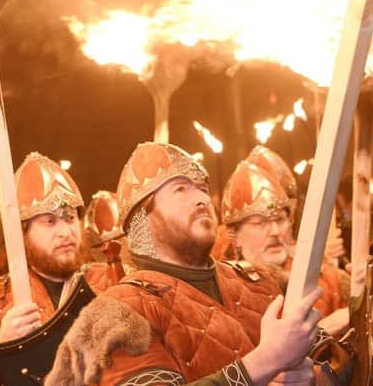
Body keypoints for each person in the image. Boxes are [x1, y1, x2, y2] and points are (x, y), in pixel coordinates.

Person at [46, 142, 323, 385]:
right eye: (181, 189)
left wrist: (316, 378)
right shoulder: (118, 311)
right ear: (142, 217)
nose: (202, 198)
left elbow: (341, 363)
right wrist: (265, 362)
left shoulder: (260, 280)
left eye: (202, 188)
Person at [0, 152, 116, 384]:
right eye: (49, 221)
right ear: (21, 232)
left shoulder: (112, 281)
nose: (65, 232)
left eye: (70, 218)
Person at [222, 160, 350, 336]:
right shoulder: (225, 291)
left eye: (280, 220)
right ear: (235, 236)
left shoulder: (326, 277)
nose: (275, 231)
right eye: (259, 223)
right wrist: (321, 332)